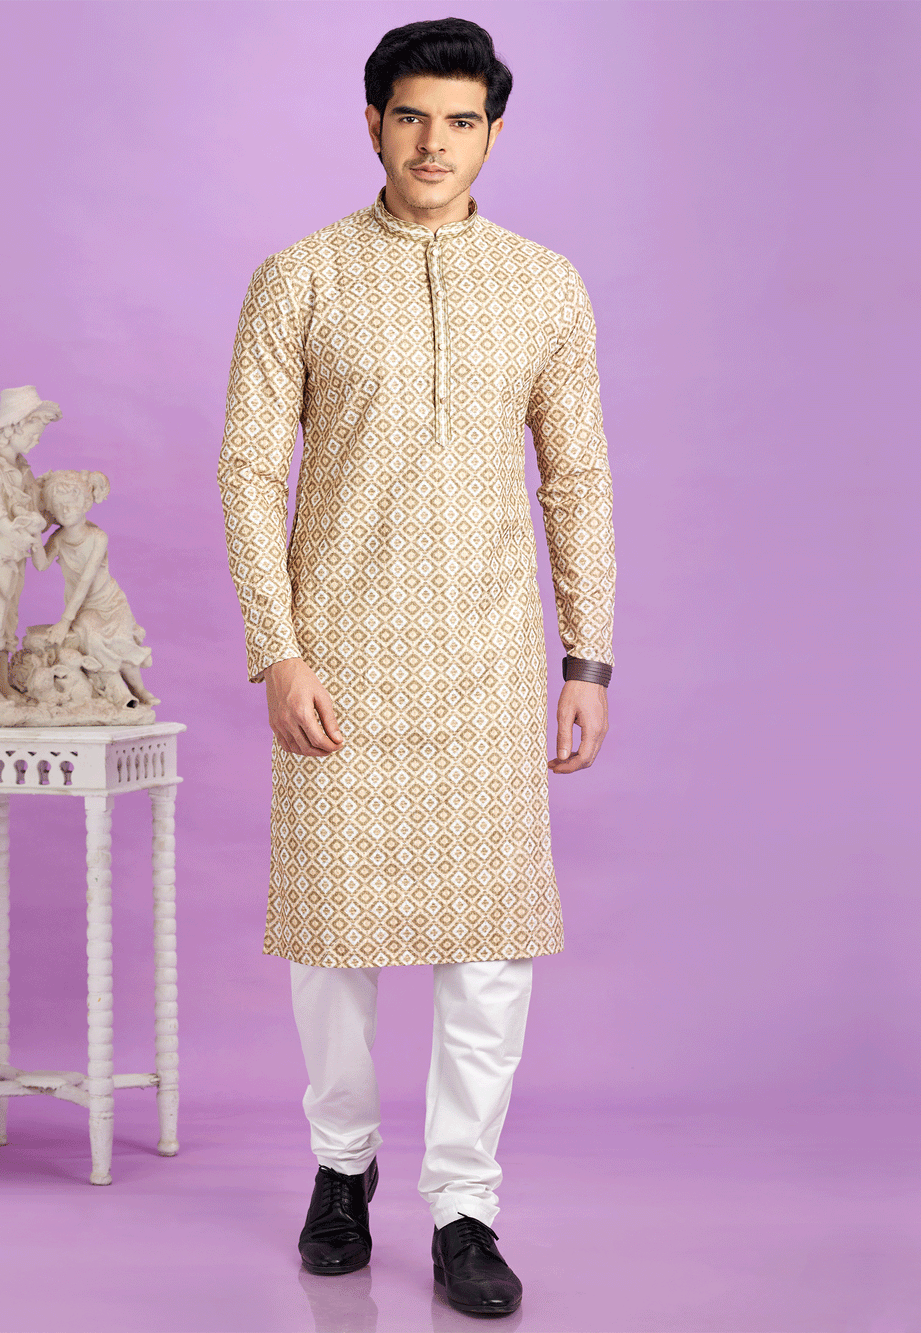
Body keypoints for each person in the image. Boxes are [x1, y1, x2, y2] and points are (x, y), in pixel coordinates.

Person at [218, 17, 616, 1319]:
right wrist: (279, 651)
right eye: (409, 117)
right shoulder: (302, 277)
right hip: (341, 661)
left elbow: (577, 479)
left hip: (490, 664)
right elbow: (248, 471)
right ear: (373, 124)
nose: (432, 143)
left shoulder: (544, 285)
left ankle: (463, 1208)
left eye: (459, 120)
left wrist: (588, 655)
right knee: (331, 945)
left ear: (493, 131)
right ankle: (342, 1171)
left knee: (490, 951)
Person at [32, 468, 158, 708]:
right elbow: (40, 564)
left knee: (121, 640)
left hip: (111, 602)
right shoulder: (58, 538)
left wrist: (64, 622)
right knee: (95, 638)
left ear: (85, 503)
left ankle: (140, 689)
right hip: (84, 608)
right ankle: (121, 695)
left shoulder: (97, 537)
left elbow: (85, 581)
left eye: (71, 504)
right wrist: (34, 533)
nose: (65, 511)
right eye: (59, 506)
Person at [0, 385, 61, 703]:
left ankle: (1, 684)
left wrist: (48, 514)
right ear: (11, 429)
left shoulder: (24, 470)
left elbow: (35, 508)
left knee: (8, 614)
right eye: (33, 435)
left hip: (17, 552)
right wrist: (10, 528)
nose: (37, 442)